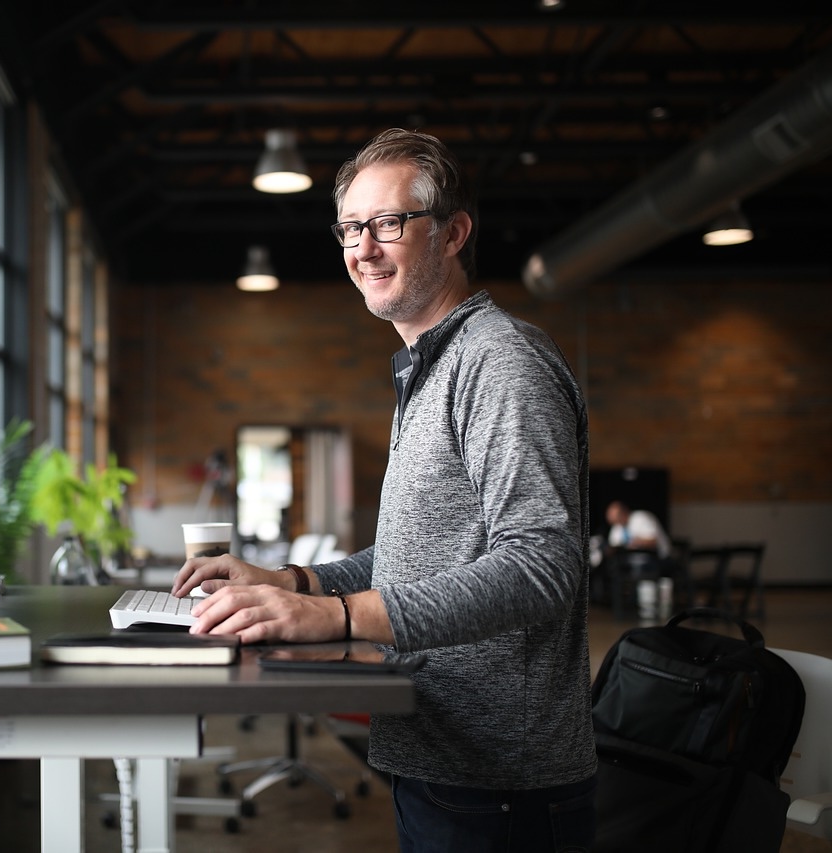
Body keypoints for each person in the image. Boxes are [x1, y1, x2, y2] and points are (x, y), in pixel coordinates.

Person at [171, 128, 596, 851]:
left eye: (388, 223)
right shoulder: (429, 367)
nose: (363, 248)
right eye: (350, 228)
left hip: (500, 781)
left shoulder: (499, 361)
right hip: (444, 756)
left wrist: (337, 616)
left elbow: (543, 564)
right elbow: (415, 558)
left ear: (454, 232)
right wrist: (293, 581)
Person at [605, 500, 671, 559]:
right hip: (631, 562)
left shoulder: (641, 518)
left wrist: (635, 542)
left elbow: (654, 542)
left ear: (624, 512)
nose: (616, 522)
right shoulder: (616, 527)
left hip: (659, 558)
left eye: (618, 517)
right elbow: (614, 547)